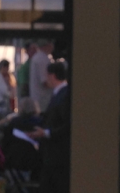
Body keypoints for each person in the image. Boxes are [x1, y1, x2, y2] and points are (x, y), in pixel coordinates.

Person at [28, 62, 70, 193]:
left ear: (52, 75)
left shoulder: (64, 95)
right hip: (54, 154)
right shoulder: (60, 94)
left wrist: (46, 133)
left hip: (57, 155)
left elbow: (67, 125)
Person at [29, 40, 55, 111]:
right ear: (47, 45)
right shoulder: (42, 59)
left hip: (39, 99)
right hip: (43, 101)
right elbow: (45, 82)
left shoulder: (39, 57)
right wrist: (57, 86)